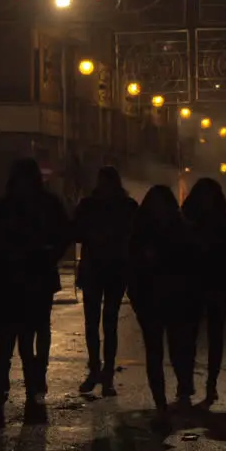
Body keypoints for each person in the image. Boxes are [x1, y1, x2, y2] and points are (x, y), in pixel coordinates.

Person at [0, 159, 72, 412]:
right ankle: (18, 386)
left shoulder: (15, 208)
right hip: (17, 282)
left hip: (29, 280)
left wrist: (47, 255)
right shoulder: (38, 206)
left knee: (20, 339)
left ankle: (21, 386)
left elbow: (62, 236)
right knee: (15, 340)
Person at [127, 185, 199, 417]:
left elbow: (191, 266)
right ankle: (160, 399)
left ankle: (183, 387)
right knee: (155, 352)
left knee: (179, 348)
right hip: (150, 300)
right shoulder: (140, 231)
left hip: (176, 299)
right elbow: (132, 267)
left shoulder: (182, 230)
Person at [70, 166, 138, 396]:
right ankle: (102, 372)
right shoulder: (124, 206)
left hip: (102, 269)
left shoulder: (90, 205)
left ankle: (100, 371)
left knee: (99, 322)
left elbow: (76, 233)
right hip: (109, 269)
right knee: (105, 323)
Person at [182, 177, 226, 408]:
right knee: (188, 336)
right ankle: (186, 383)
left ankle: (211, 383)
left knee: (215, 336)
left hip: (217, 283)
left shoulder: (224, 222)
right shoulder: (187, 222)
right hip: (194, 282)